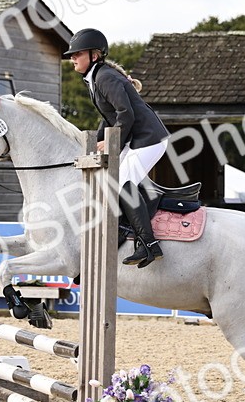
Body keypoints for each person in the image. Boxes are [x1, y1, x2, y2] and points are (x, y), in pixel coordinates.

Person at [63, 27, 171, 268]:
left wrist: (113, 144)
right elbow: (109, 117)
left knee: (122, 183)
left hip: (148, 139)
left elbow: (126, 114)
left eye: (76, 54)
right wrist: (94, 143)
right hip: (136, 138)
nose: (72, 59)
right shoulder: (96, 78)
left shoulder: (104, 77)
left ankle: (149, 244)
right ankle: (125, 229)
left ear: (94, 55)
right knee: (111, 182)